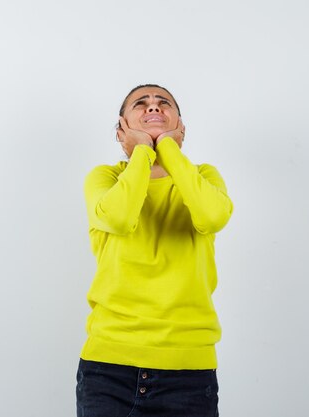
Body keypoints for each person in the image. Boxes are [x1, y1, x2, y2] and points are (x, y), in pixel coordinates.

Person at [76, 84, 234, 417]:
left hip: (188, 372)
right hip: (108, 369)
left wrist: (167, 149)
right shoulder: (104, 179)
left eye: (164, 103)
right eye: (141, 103)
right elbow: (118, 218)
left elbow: (213, 216)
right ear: (121, 129)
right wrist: (143, 154)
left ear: (181, 127)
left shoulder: (204, 177)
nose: (153, 107)